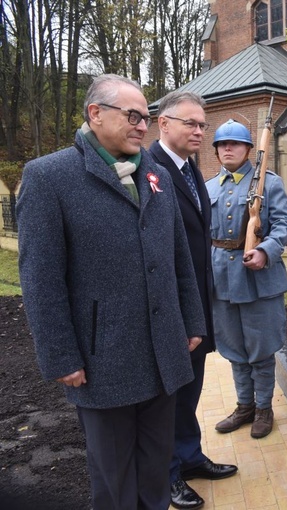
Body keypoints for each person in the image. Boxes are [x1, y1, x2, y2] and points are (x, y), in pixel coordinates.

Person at [16, 74, 206, 510]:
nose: (142, 125)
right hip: (103, 360)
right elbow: (41, 281)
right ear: (95, 114)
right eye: (132, 115)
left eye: (146, 116)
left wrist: (192, 321)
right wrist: (62, 357)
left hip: (163, 354)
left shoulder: (154, 174)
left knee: (156, 468)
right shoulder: (49, 177)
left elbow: (179, 258)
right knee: (115, 478)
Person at [149, 91, 238, 509]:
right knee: (167, 399)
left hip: (197, 307)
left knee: (190, 393)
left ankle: (189, 457)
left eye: (203, 124)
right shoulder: (150, 171)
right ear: (163, 124)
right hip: (170, 311)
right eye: (191, 123)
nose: (200, 131)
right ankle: (167, 476)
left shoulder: (190, 169)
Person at [206, 119, 287, 439]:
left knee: (261, 347)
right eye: (222, 144)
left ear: (247, 149)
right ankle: (244, 405)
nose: (227, 148)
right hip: (222, 280)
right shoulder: (208, 188)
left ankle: (263, 408)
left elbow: (284, 227)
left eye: (235, 143)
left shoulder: (268, 184)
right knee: (233, 348)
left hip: (259, 280)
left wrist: (265, 251)